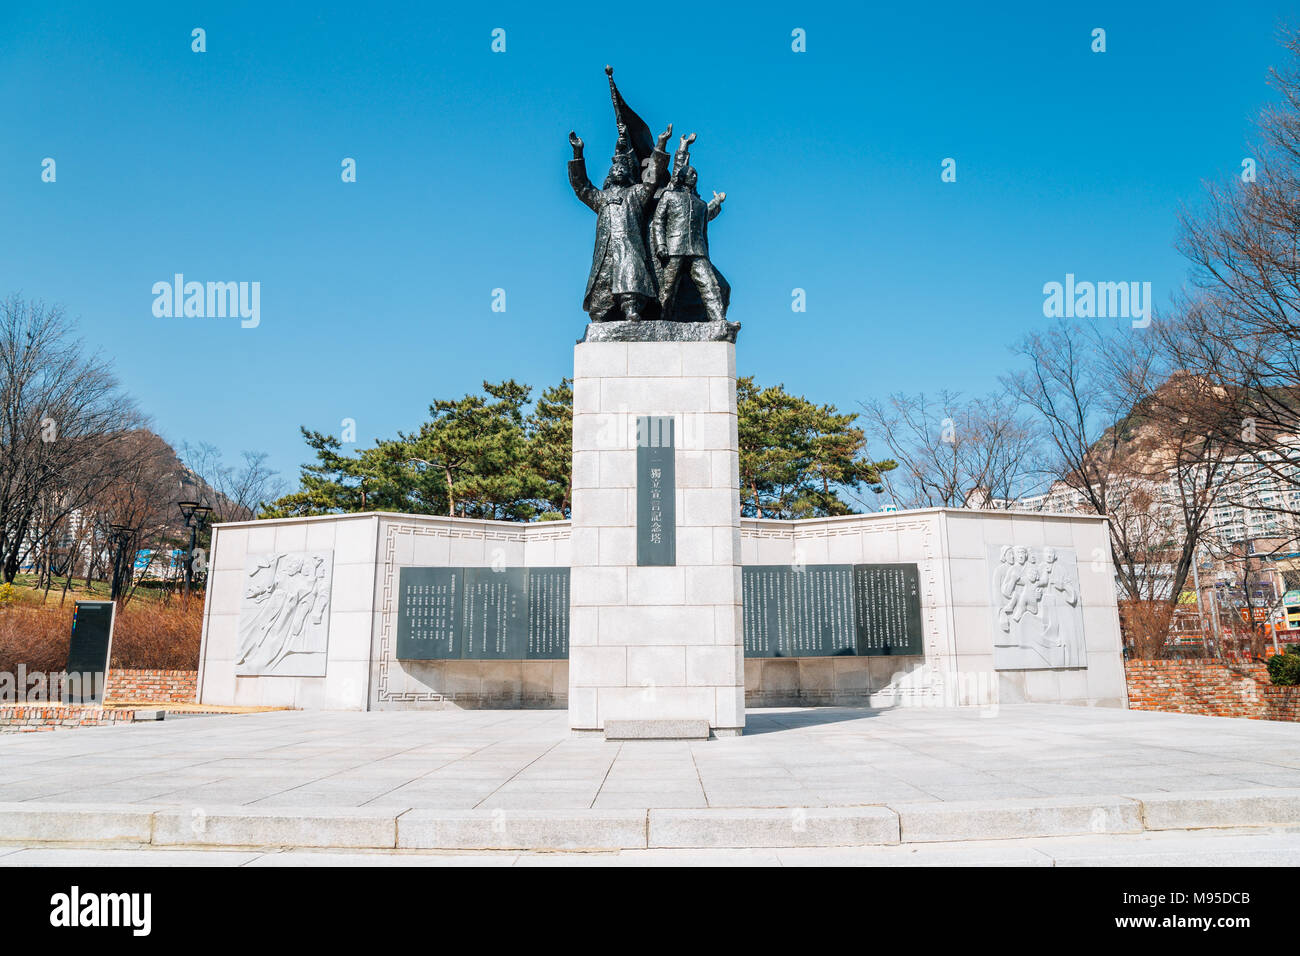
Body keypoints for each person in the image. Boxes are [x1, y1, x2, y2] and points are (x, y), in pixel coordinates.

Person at [568, 122, 671, 321]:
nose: (618, 170)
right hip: (606, 250)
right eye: (614, 169)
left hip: (628, 247)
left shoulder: (635, 194)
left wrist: (660, 145)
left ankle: (632, 310)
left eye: (622, 169)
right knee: (602, 286)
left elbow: (651, 179)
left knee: (630, 279)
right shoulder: (600, 197)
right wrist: (578, 154)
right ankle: (600, 316)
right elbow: (581, 186)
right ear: (609, 176)